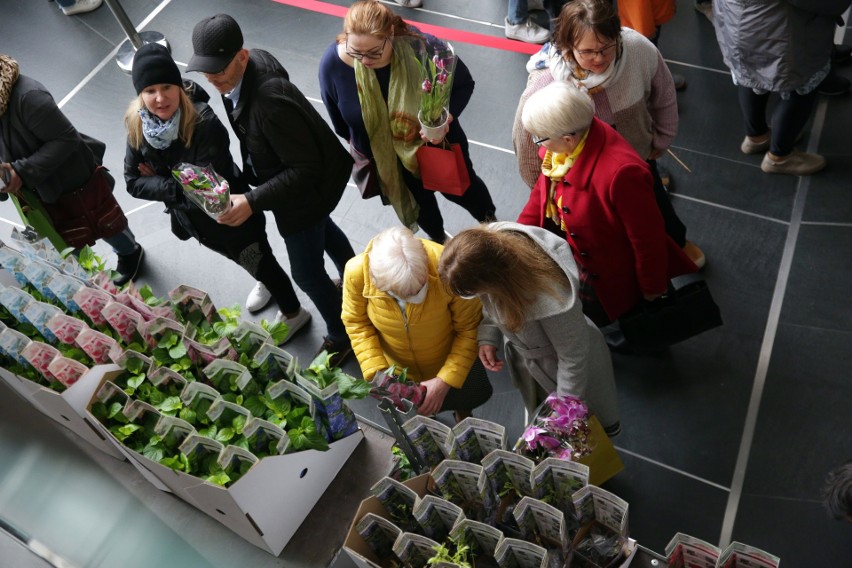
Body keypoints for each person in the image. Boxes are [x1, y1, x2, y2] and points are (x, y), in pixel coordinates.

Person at [187, 14, 356, 366]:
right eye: (205, 69)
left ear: (243, 57)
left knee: (307, 274)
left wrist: (251, 199)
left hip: (301, 197)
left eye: (217, 68)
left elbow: (304, 169)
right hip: (303, 190)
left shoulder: (268, 103)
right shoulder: (239, 79)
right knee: (325, 232)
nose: (210, 76)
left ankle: (342, 336)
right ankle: (360, 282)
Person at [123, 43, 309, 341]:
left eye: (167, 86)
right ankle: (263, 279)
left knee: (260, 259)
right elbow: (132, 181)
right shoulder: (138, 124)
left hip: (232, 216)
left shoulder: (204, 122)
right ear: (140, 95)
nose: (160, 98)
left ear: (179, 87)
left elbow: (208, 190)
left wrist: (159, 175)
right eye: (150, 90)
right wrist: (179, 182)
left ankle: (293, 312)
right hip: (197, 223)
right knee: (252, 260)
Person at [514, 0, 705, 268]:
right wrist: (539, 182)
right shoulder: (547, 81)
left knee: (655, 203)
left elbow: (664, 94)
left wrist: (662, 138)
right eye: (588, 52)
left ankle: (677, 240)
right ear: (568, 49)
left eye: (607, 47)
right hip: (580, 172)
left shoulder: (638, 48)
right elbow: (525, 136)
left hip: (636, 154)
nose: (600, 58)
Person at [517, 81, 697, 331]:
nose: (538, 143)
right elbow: (543, 192)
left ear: (568, 139)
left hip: (615, 273)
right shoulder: (566, 147)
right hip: (585, 257)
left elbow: (647, 240)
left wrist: (652, 289)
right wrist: (515, 237)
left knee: (638, 325)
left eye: (540, 138)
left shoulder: (623, 174)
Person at [319, 0, 496, 245]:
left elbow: (464, 84)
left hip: (436, 144)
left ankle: (493, 225)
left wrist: (447, 117)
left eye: (374, 52)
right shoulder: (333, 64)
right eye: (356, 52)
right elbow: (339, 121)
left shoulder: (426, 48)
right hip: (390, 160)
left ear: (391, 34)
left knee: (464, 191)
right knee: (419, 204)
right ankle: (438, 238)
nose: (365, 61)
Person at [438, 222, 620, 435]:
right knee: (545, 417)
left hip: (570, 370)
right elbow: (491, 301)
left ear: (495, 280)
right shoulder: (492, 252)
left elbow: (574, 358)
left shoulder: (552, 301)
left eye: (475, 291)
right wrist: (488, 336)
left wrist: (564, 414)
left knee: (588, 434)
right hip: (537, 363)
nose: (479, 296)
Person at [0, 53, 144, 285]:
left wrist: (21, 171)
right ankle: (91, 278)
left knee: (104, 222)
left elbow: (66, 139)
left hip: (73, 181)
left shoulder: (28, 97)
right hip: (40, 187)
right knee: (66, 236)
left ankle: (130, 252)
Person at [341, 227, 492, 422]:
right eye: (402, 296)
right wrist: (375, 369)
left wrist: (445, 380)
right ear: (378, 282)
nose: (414, 299)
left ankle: (463, 414)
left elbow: (469, 329)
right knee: (422, 412)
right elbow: (356, 321)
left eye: (420, 290)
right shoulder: (356, 273)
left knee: (463, 399)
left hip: (451, 360)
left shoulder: (450, 268)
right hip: (400, 368)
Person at [713, 0, 841, 175]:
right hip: (780, 27)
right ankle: (780, 157)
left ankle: (756, 137)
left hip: (736, 19)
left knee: (750, 77)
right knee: (800, 87)